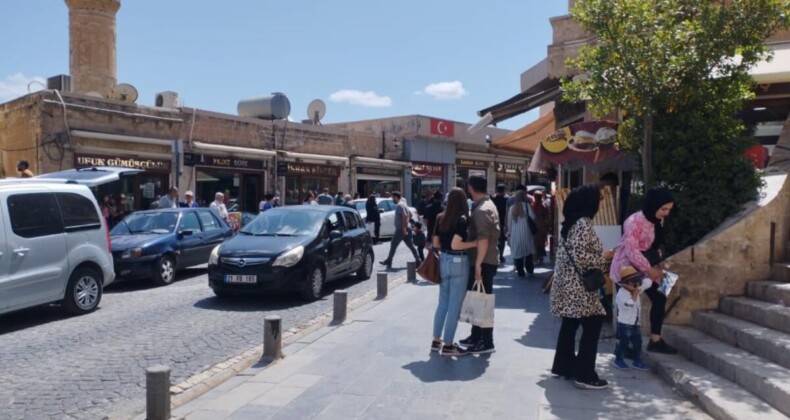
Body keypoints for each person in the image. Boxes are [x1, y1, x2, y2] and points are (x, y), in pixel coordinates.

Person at [550, 185, 608, 390]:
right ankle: (585, 374)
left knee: (570, 324)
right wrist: (605, 257)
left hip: (568, 285)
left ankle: (564, 367)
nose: (600, 204)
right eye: (598, 200)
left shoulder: (571, 223)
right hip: (580, 288)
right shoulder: (583, 224)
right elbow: (582, 256)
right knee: (593, 323)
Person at [610, 186, 677, 354]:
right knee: (627, 306)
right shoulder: (633, 222)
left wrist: (659, 262)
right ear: (654, 205)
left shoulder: (658, 220)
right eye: (664, 209)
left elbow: (655, 244)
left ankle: (655, 340)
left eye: (669, 209)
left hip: (647, 266)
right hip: (626, 269)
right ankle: (624, 346)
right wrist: (649, 270)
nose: (666, 213)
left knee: (660, 297)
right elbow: (632, 251)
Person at [430, 188, 479, 357]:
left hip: (443, 260)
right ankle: (449, 345)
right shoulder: (462, 219)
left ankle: (436, 340)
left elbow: (436, 243)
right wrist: (474, 244)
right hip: (458, 261)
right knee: (454, 306)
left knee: (442, 302)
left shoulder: (440, 217)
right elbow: (456, 244)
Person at [458, 176, 500, 355]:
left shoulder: (482, 210)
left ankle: (486, 341)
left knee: (483, 302)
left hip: (484, 262)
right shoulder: (485, 205)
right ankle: (476, 336)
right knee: (477, 299)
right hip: (484, 260)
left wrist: (478, 265)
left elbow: (483, 239)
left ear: (471, 187)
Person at [612, 265, 652, 371]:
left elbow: (648, 282)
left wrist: (650, 274)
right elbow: (627, 306)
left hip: (635, 323)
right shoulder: (621, 294)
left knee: (637, 343)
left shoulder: (636, 288)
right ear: (626, 284)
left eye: (638, 283)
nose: (637, 286)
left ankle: (637, 360)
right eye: (634, 284)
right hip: (624, 323)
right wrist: (634, 296)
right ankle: (618, 359)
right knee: (623, 343)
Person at [379, 192, 422, 268]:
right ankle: (418, 261)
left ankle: (389, 260)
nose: (392, 200)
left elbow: (404, 216)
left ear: (395, 197)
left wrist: (404, 228)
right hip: (406, 228)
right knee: (411, 245)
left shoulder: (400, 205)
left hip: (401, 229)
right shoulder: (404, 204)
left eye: (393, 198)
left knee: (393, 244)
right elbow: (410, 215)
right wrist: (407, 225)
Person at [507, 190, 536, 278]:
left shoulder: (512, 208)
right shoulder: (527, 206)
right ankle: (529, 269)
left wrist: (509, 234)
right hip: (526, 233)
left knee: (518, 253)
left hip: (515, 234)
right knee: (528, 253)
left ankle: (520, 271)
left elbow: (509, 222)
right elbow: (533, 217)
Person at [532, 190, 551, 265]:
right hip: (542, 227)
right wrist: (547, 227)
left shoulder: (533, 205)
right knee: (541, 243)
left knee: (536, 243)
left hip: (535, 227)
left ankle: (536, 257)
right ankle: (540, 257)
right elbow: (547, 217)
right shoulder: (544, 205)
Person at [492, 185, 508, 264]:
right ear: (503, 191)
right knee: (502, 240)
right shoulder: (506, 200)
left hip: (493, 222)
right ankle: (501, 255)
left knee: (494, 239)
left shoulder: (493, 199)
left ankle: (494, 255)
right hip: (502, 223)